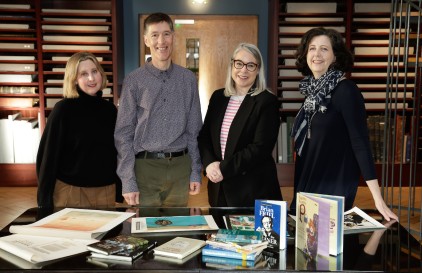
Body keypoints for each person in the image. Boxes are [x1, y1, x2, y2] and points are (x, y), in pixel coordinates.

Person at [289, 27, 398, 222]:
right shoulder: (311, 95)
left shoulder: (346, 90)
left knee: (327, 248)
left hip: (334, 184)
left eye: (324, 49)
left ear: (335, 56)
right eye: (312, 48)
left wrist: (377, 199)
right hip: (308, 182)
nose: (317, 54)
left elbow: (360, 143)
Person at [115, 12, 202, 207]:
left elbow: (194, 130)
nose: (161, 41)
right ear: (146, 40)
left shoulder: (188, 79)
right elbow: (123, 134)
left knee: (177, 232)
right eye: (154, 35)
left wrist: (196, 170)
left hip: (180, 168)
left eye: (166, 34)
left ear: (173, 37)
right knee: (145, 232)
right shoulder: (134, 81)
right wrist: (128, 180)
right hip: (145, 168)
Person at [197, 42, 283, 207]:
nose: (243, 70)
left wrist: (223, 168)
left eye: (250, 65)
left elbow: (260, 148)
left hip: (252, 190)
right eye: (239, 64)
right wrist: (209, 164)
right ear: (232, 65)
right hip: (219, 189)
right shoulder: (218, 97)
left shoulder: (266, 101)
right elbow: (204, 136)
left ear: (258, 70)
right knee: (219, 232)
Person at [36, 51, 121, 208]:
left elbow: (115, 152)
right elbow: (48, 156)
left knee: (106, 233)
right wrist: (44, 198)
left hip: (105, 190)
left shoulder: (110, 110)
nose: (91, 78)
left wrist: (119, 189)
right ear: (74, 79)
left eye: (94, 71)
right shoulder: (63, 109)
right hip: (70, 191)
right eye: (83, 74)